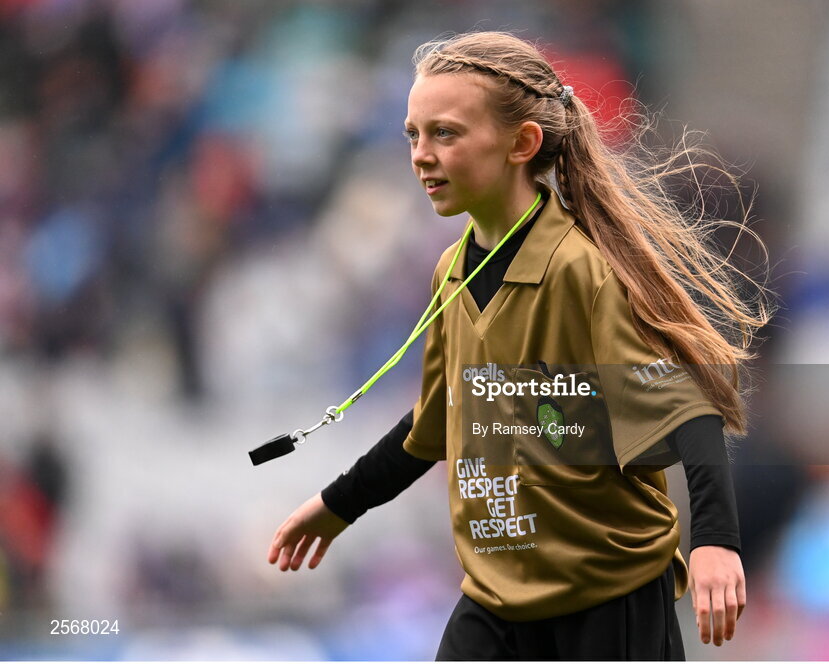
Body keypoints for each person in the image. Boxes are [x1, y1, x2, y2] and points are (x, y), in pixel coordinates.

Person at [267, 31, 770, 661]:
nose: (422, 155)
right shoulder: (451, 271)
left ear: (522, 144)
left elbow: (683, 409)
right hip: (499, 598)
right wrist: (339, 504)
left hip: (607, 599)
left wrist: (717, 542)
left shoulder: (578, 270)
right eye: (412, 135)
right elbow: (436, 422)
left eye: (445, 134)